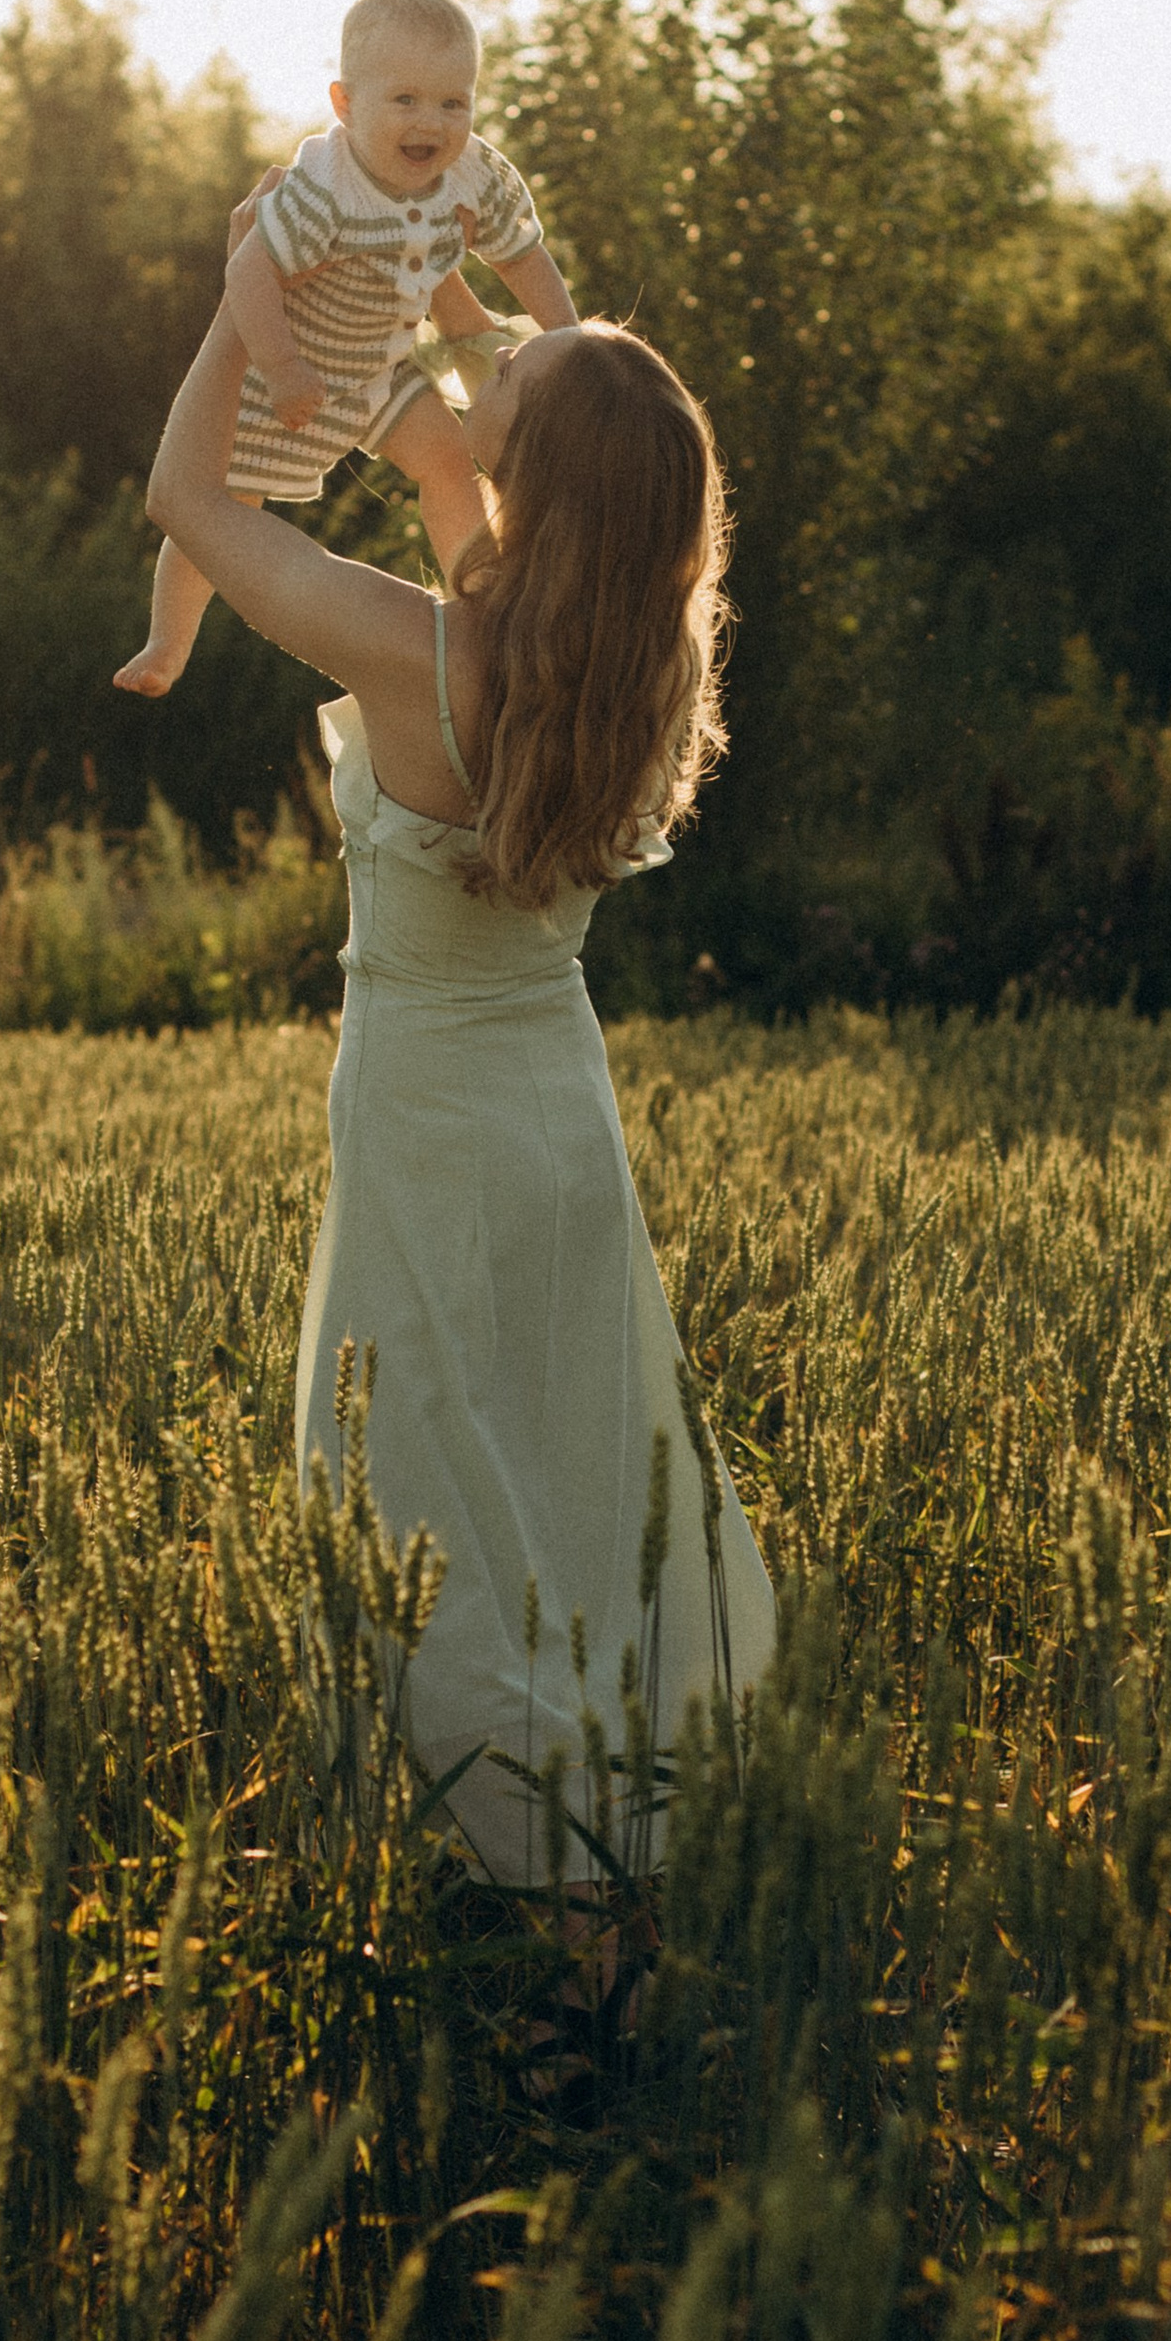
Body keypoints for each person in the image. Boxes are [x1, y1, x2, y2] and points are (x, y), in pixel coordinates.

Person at [145, 280, 777, 1882]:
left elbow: (184, 498)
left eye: (518, 366)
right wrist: (428, 326)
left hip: (425, 1109)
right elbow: (468, 471)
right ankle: (612, 1830)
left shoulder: (418, 651)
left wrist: (249, 292)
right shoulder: (631, 664)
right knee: (564, 1472)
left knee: (416, 1483)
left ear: (544, 473)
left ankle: (500, 1862)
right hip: (557, 1114)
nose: (491, 357)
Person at [113, 0, 576, 696]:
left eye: (454, 102)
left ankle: (475, 597)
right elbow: (249, 271)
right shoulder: (325, 190)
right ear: (345, 104)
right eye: (406, 100)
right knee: (226, 506)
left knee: (449, 458)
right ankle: (168, 642)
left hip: (383, 366)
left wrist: (567, 338)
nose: (433, 122)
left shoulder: (472, 176)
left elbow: (520, 254)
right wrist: (284, 364)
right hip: (293, 363)